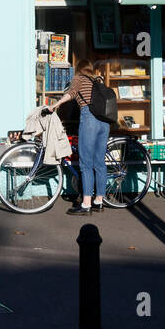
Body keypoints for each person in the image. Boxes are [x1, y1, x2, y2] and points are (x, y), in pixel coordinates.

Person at [51, 58, 108, 215]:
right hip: (104, 122)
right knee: (100, 163)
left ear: (79, 69)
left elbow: (71, 93)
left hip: (90, 120)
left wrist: (55, 105)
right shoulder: (97, 80)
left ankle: (86, 204)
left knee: (86, 163)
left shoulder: (79, 78)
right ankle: (99, 201)